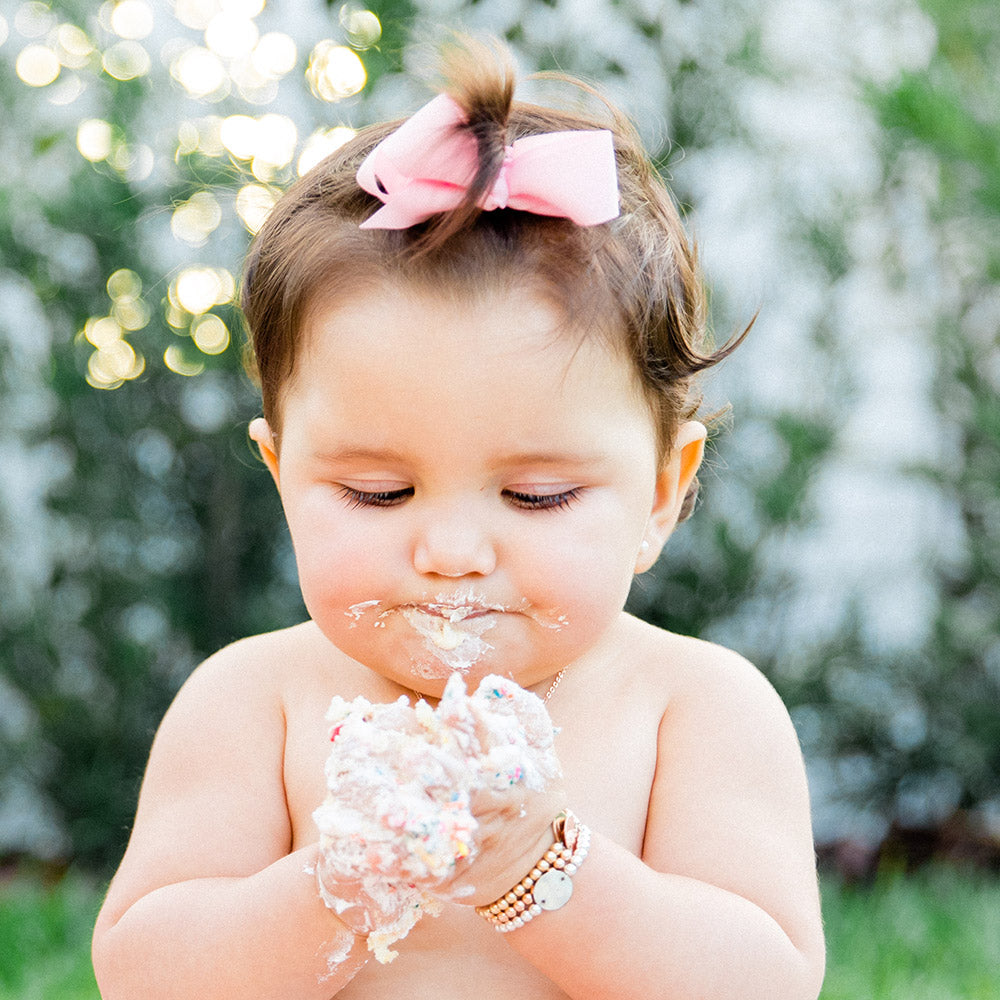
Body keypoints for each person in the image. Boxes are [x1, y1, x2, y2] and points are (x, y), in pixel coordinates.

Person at [92, 36, 825, 1000]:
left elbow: (764, 983)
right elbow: (144, 975)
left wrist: (541, 869)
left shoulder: (692, 711)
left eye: (536, 496)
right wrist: (344, 880)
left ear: (660, 492)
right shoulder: (253, 706)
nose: (448, 553)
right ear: (282, 476)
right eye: (376, 493)